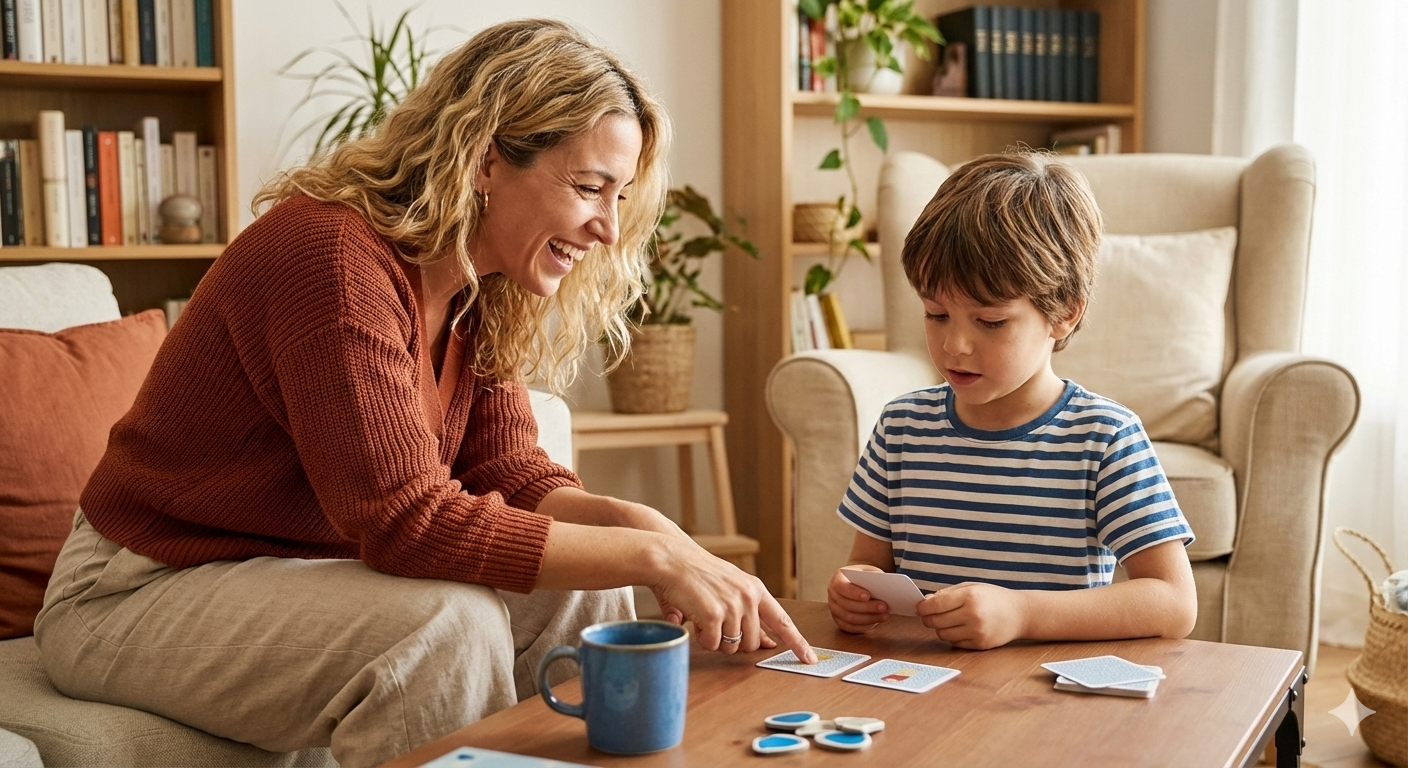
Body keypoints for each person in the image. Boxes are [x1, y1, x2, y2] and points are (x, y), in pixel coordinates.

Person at [34, 19, 812, 767]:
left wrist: (656, 536)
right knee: (444, 625)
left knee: (590, 596)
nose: (609, 228)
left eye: (620, 196)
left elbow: (513, 476)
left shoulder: (482, 287)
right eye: (589, 187)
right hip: (133, 590)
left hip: (283, 569)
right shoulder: (330, 256)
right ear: (483, 159)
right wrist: (653, 556)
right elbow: (406, 522)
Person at [827, 152, 1198, 650]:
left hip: (1046, 698)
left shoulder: (1105, 438)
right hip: (922, 686)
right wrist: (852, 592)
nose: (954, 344)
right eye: (936, 314)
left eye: (991, 322)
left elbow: (1174, 603)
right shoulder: (901, 428)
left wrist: (1021, 613)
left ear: (1064, 313)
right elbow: (868, 567)